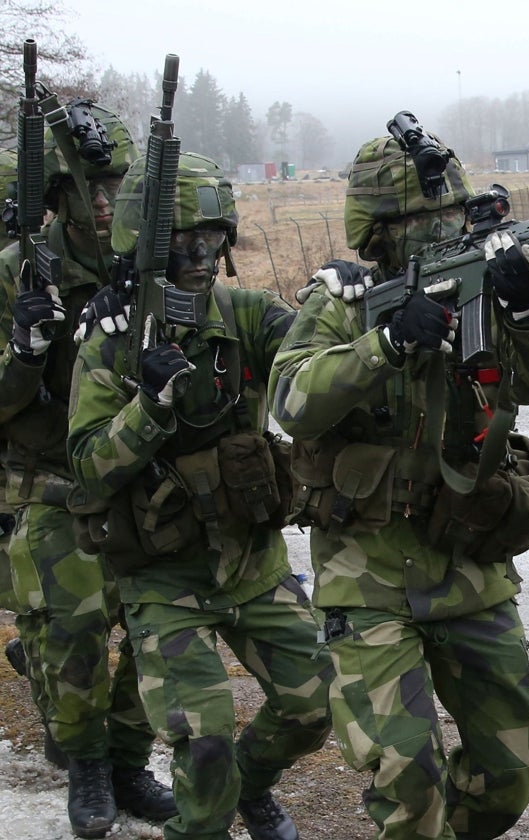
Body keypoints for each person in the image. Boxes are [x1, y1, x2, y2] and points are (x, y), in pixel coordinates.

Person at [269, 131, 529, 839]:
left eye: (448, 216)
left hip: (469, 562)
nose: (440, 230)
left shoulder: (484, 285)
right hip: (368, 575)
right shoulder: (346, 303)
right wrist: (382, 347)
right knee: (409, 781)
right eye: (419, 222)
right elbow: (291, 398)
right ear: (378, 231)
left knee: (510, 773)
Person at [67, 151, 333, 840]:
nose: (203, 255)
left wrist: (345, 299)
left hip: (253, 564)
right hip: (163, 580)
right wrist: (148, 403)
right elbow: (90, 468)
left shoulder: (243, 314)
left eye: (216, 238)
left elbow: (310, 356)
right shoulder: (110, 345)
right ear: (143, 247)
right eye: (185, 240)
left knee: (311, 707)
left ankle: (255, 784)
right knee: (203, 744)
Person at [0, 103, 177, 838]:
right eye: (87, 187)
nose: (105, 201)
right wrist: (26, 350)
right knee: (69, 631)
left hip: (138, 473)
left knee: (158, 627)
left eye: (115, 185)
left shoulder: (150, 264)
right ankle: (86, 763)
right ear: (56, 197)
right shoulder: (14, 274)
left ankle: (130, 759)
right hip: (51, 482)